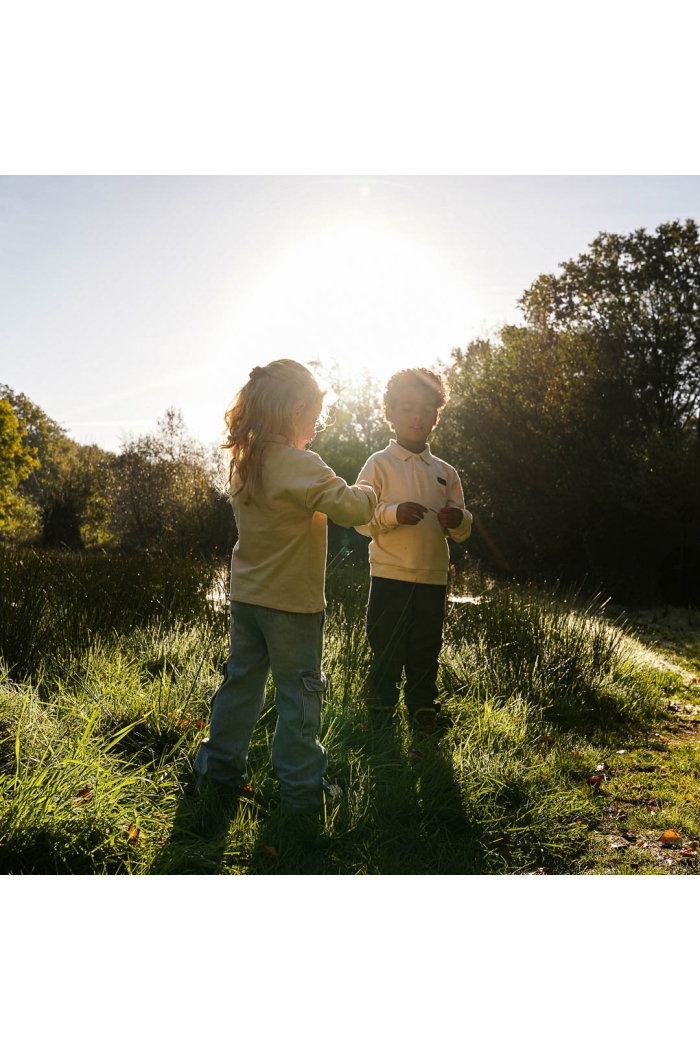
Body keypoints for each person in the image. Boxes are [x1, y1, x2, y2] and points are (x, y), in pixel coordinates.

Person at [194, 359, 377, 814]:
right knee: (299, 698)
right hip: (293, 607)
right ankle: (302, 796)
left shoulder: (245, 463)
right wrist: (372, 489)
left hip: (246, 599)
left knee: (240, 686)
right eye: (314, 420)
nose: (314, 430)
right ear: (298, 409)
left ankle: (217, 777)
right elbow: (353, 510)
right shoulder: (303, 465)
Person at [354, 368, 472, 736]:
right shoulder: (379, 463)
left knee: (425, 653)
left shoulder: (445, 471)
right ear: (389, 413)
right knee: (386, 651)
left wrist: (459, 518)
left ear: (437, 414)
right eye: (407, 408)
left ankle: (424, 717)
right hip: (389, 576)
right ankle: (379, 722)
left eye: (426, 408)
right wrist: (393, 513)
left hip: (433, 580)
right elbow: (359, 518)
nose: (417, 416)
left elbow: (463, 531)